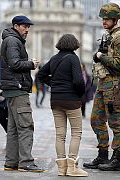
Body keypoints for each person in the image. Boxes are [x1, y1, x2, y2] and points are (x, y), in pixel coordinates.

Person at [83, 2, 120, 171]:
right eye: (103, 18)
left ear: (115, 19)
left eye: (106, 19)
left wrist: (100, 56)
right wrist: (99, 56)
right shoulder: (109, 36)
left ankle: (116, 159)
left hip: (114, 85)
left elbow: (118, 64)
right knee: (96, 120)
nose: (103, 21)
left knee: (115, 122)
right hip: (103, 84)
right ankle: (102, 155)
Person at [38, 34, 88, 177]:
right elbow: (78, 81)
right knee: (76, 132)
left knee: (60, 134)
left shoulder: (54, 59)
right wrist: (80, 94)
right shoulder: (73, 58)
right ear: (74, 45)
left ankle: (61, 168)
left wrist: (54, 84)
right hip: (71, 100)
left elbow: (40, 75)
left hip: (56, 100)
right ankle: (72, 167)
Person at [0, 15, 43, 172]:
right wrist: (31, 64)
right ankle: (26, 162)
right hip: (17, 89)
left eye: (28, 27)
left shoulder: (11, 40)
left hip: (12, 90)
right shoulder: (12, 41)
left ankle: (11, 162)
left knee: (13, 128)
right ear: (16, 26)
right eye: (25, 26)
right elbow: (14, 64)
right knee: (25, 127)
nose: (27, 29)